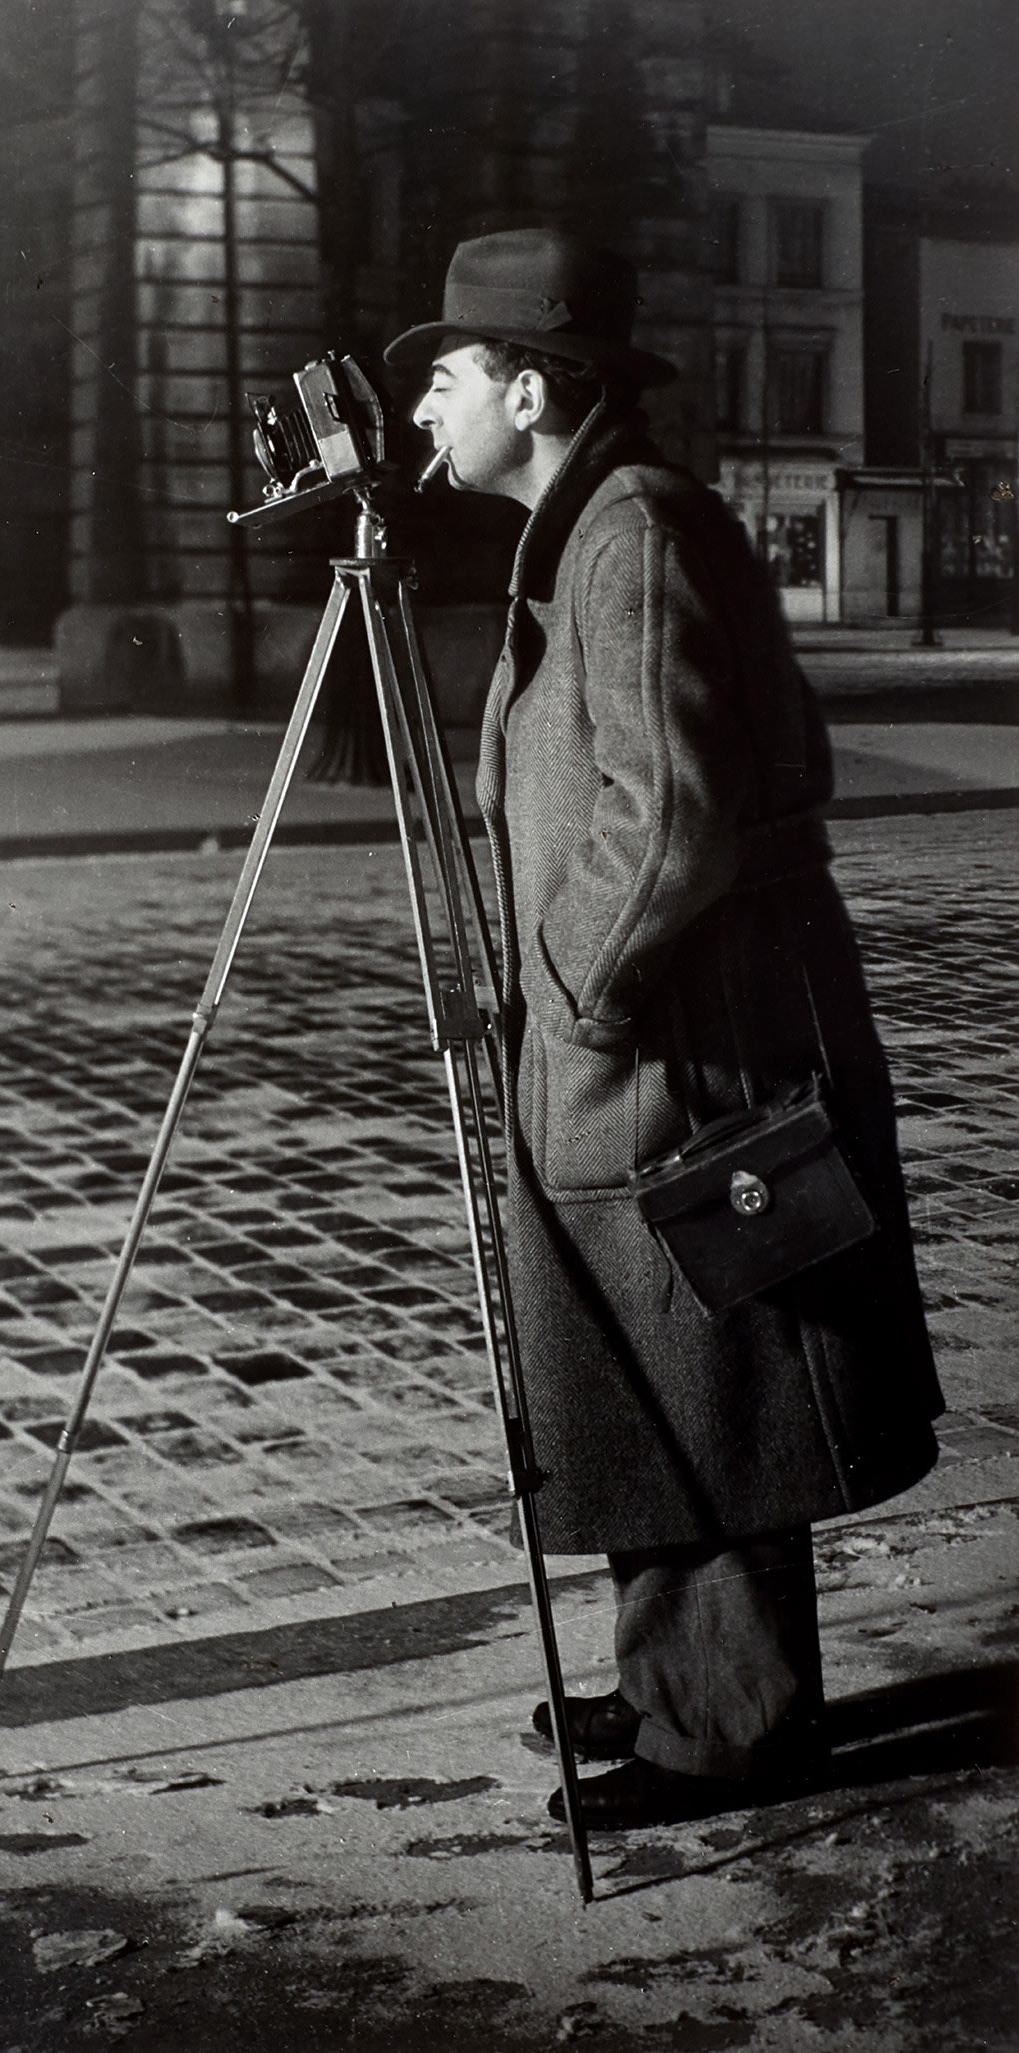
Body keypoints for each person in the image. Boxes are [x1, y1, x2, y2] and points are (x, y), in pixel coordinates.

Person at [384, 229, 944, 1831]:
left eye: (448, 371)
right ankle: (674, 1677)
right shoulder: (588, 529)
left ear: (533, 387)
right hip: (645, 1029)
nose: (421, 403)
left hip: (668, 1036)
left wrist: (575, 993)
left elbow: (671, 812)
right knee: (646, 1359)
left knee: (711, 1367)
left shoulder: (630, 530)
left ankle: (731, 1723)